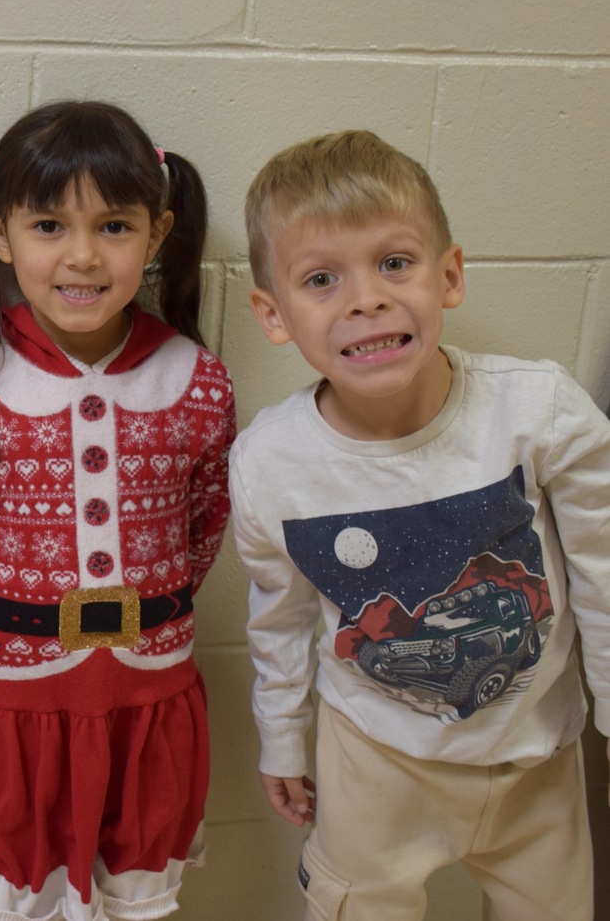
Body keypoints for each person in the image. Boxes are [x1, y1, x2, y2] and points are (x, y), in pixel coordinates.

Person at [232, 130, 610, 920]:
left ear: (450, 275)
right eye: (322, 279)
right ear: (273, 314)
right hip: (376, 764)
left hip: (537, 756)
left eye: (394, 263)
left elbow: (605, 573)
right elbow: (278, 614)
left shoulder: (536, 409)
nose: (365, 298)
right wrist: (278, 735)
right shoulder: (270, 462)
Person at [0, 100, 237, 921]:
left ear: (157, 235)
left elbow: (205, 527)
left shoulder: (197, 380)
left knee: (137, 896)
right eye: (50, 226)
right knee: (13, 899)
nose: (83, 256)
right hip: (13, 698)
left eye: (116, 227)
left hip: (148, 692)